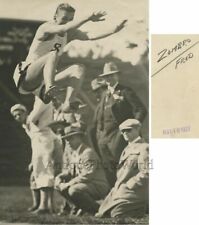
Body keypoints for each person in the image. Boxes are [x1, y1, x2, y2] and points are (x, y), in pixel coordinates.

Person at [13, 3, 127, 105]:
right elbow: (63, 28)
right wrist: (88, 18)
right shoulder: (45, 28)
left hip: (46, 78)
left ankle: (69, 102)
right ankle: (48, 88)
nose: (67, 21)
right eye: (64, 18)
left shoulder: (70, 34)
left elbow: (90, 36)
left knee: (78, 68)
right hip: (27, 76)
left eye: (70, 19)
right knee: (53, 54)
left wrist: (113, 30)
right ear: (55, 17)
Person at [89, 61, 147, 186]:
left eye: (111, 75)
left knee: (123, 172)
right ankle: (113, 200)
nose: (109, 78)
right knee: (109, 174)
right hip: (103, 142)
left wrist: (132, 128)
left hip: (118, 139)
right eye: (106, 76)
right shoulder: (104, 94)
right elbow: (98, 120)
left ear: (117, 76)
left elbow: (141, 110)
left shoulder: (125, 91)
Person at [10, 100, 63, 214]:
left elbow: (48, 136)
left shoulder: (35, 121)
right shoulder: (26, 126)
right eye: (15, 116)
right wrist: (32, 161)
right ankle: (41, 205)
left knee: (45, 174)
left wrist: (49, 154)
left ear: (26, 113)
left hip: (48, 146)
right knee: (35, 176)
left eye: (20, 114)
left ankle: (45, 207)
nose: (18, 117)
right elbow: (35, 145)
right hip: (42, 147)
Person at [96, 119, 149, 218]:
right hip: (121, 189)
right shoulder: (126, 149)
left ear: (137, 129)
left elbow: (146, 172)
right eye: (123, 131)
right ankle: (137, 213)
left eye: (128, 130)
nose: (125, 133)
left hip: (134, 191)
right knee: (102, 214)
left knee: (116, 214)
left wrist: (130, 184)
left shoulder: (144, 147)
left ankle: (138, 211)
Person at [55, 124, 110, 215]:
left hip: (97, 184)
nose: (68, 142)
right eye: (67, 139)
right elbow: (70, 171)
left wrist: (68, 184)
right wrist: (59, 177)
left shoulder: (87, 153)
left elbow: (87, 175)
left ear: (79, 138)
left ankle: (99, 210)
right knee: (58, 185)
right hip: (85, 183)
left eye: (71, 138)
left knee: (74, 190)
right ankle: (78, 207)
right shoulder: (74, 153)